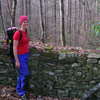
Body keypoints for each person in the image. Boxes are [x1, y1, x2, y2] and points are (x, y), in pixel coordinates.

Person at [13, 16, 30, 100]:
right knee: (25, 74)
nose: (26, 23)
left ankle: (18, 89)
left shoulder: (25, 32)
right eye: (24, 22)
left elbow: (25, 43)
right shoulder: (17, 33)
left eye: (26, 21)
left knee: (21, 74)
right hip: (20, 56)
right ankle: (22, 92)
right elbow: (14, 47)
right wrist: (17, 60)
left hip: (26, 55)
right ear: (21, 23)